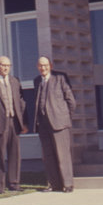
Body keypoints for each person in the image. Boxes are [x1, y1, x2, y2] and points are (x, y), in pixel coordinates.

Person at [0, 56, 28, 194]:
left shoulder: (15, 81)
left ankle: (14, 182)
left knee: (15, 153)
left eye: (8, 65)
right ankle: (0, 184)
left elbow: (21, 103)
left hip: (14, 121)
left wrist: (24, 122)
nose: (6, 67)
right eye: (3, 65)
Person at [32, 56, 77, 193]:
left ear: (50, 65)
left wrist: (65, 118)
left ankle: (68, 184)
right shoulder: (37, 81)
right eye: (40, 65)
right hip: (43, 124)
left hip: (59, 123)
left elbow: (71, 101)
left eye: (45, 65)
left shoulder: (60, 78)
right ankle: (54, 184)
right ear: (37, 66)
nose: (43, 68)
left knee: (63, 155)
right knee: (49, 156)